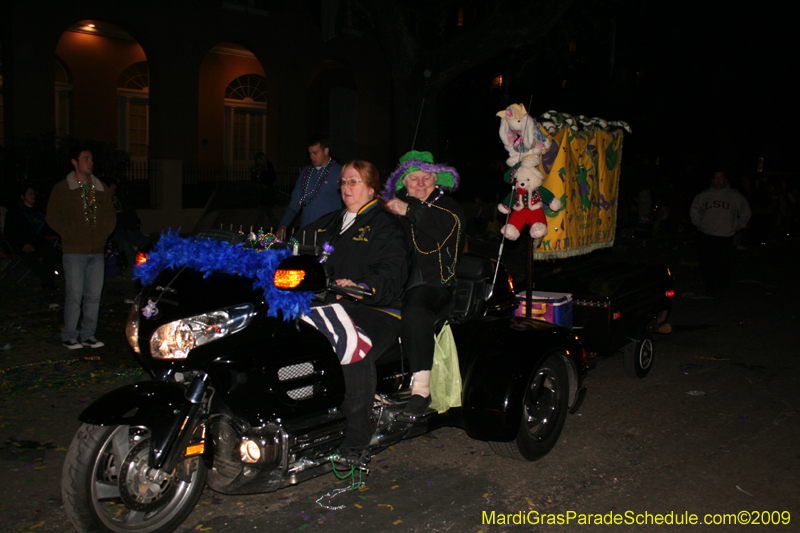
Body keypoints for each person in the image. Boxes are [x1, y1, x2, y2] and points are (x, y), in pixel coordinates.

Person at [305, 160, 408, 456]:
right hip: (330, 304)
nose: (346, 187)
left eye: (354, 182)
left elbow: (391, 269)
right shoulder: (332, 221)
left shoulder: (386, 224)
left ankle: (357, 438)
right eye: (343, 182)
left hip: (377, 308)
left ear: (372, 188)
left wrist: (362, 286)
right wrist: (254, 242)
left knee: (352, 343)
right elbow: (295, 242)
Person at [384, 151, 465, 416]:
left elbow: (443, 229)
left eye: (426, 178)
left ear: (436, 180)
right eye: (414, 179)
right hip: (395, 284)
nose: (420, 184)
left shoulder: (448, 208)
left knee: (416, 309)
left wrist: (408, 210)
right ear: (404, 183)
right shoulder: (392, 209)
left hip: (435, 286)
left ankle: (421, 390)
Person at [47, 147, 116, 349]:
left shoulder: (100, 188)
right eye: (86, 159)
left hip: (96, 250)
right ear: (75, 162)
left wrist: (103, 234)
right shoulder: (63, 188)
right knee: (75, 295)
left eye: (91, 159)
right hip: (74, 250)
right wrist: (70, 232)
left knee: (94, 296)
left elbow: (110, 216)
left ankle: (88, 335)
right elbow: (52, 216)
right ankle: (69, 334)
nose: (90, 162)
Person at [690, 171, 751, 296]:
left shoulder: (735, 196)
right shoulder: (705, 195)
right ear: (712, 180)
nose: (718, 180)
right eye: (716, 178)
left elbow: (745, 212)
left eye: (721, 177)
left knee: (721, 261)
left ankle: (721, 283)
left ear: (726, 180)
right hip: (708, 233)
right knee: (706, 261)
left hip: (725, 234)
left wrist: (738, 226)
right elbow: (694, 210)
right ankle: (711, 284)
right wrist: (699, 224)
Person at [276, 136, 342, 240]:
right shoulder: (306, 173)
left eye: (315, 153)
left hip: (329, 233)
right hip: (306, 232)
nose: (312, 157)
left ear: (326, 151)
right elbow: (295, 202)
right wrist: (283, 225)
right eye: (310, 153)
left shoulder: (340, 173)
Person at [3, 184, 59, 289]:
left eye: (33, 194)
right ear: (23, 197)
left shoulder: (38, 211)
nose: (33, 196)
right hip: (21, 243)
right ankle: (46, 281)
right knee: (31, 256)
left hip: (37, 242)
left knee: (50, 252)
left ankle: (49, 282)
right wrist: (23, 243)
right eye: (30, 194)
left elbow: (46, 227)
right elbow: (11, 232)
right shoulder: (15, 212)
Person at [105, 177, 149, 270]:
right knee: (125, 245)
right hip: (115, 231)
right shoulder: (103, 201)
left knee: (145, 242)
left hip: (128, 229)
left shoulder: (120, 199)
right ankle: (136, 267)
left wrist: (132, 224)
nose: (113, 188)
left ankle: (145, 264)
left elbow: (130, 214)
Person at [252, 152, 280, 231]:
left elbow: (273, 178)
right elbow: (257, 179)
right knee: (265, 212)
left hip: (267, 193)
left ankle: (257, 229)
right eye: (257, 161)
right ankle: (276, 226)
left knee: (266, 212)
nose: (258, 162)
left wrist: (266, 184)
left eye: (260, 160)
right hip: (262, 193)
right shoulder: (259, 168)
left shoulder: (268, 167)